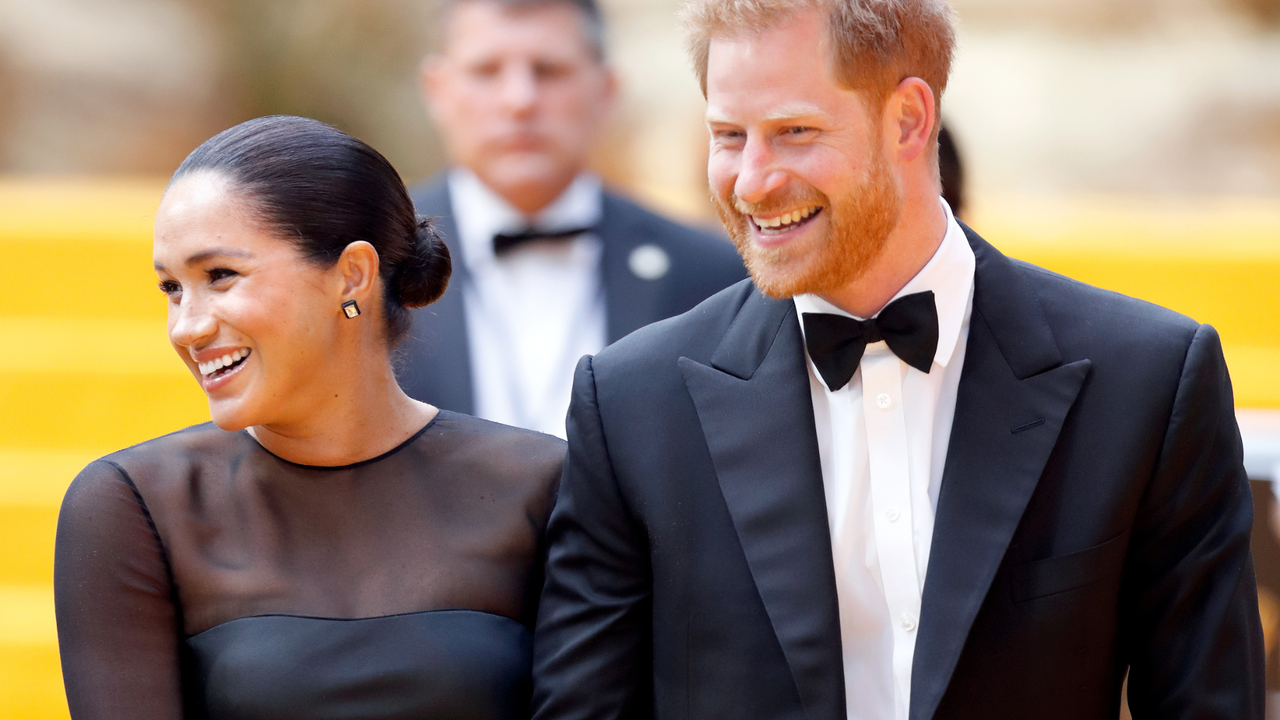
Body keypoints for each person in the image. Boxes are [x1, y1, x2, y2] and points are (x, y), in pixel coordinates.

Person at [531, 0, 1264, 718]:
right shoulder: (631, 407)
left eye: (794, 131)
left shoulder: (1149, 381)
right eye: (729, 134)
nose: (751, 181)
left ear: (908, 120)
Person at [54, 116, 563, 719]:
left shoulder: (546, 485)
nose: (186, 326)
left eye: (220, 276)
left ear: (351, 275)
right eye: (172, 288)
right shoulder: (135, 506)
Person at [400, 0, 746, 437]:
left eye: (549, 70)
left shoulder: (715, 274)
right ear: (437, 90)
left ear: (605, 90)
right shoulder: (370, 260)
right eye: (486, 71)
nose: (519, 101)